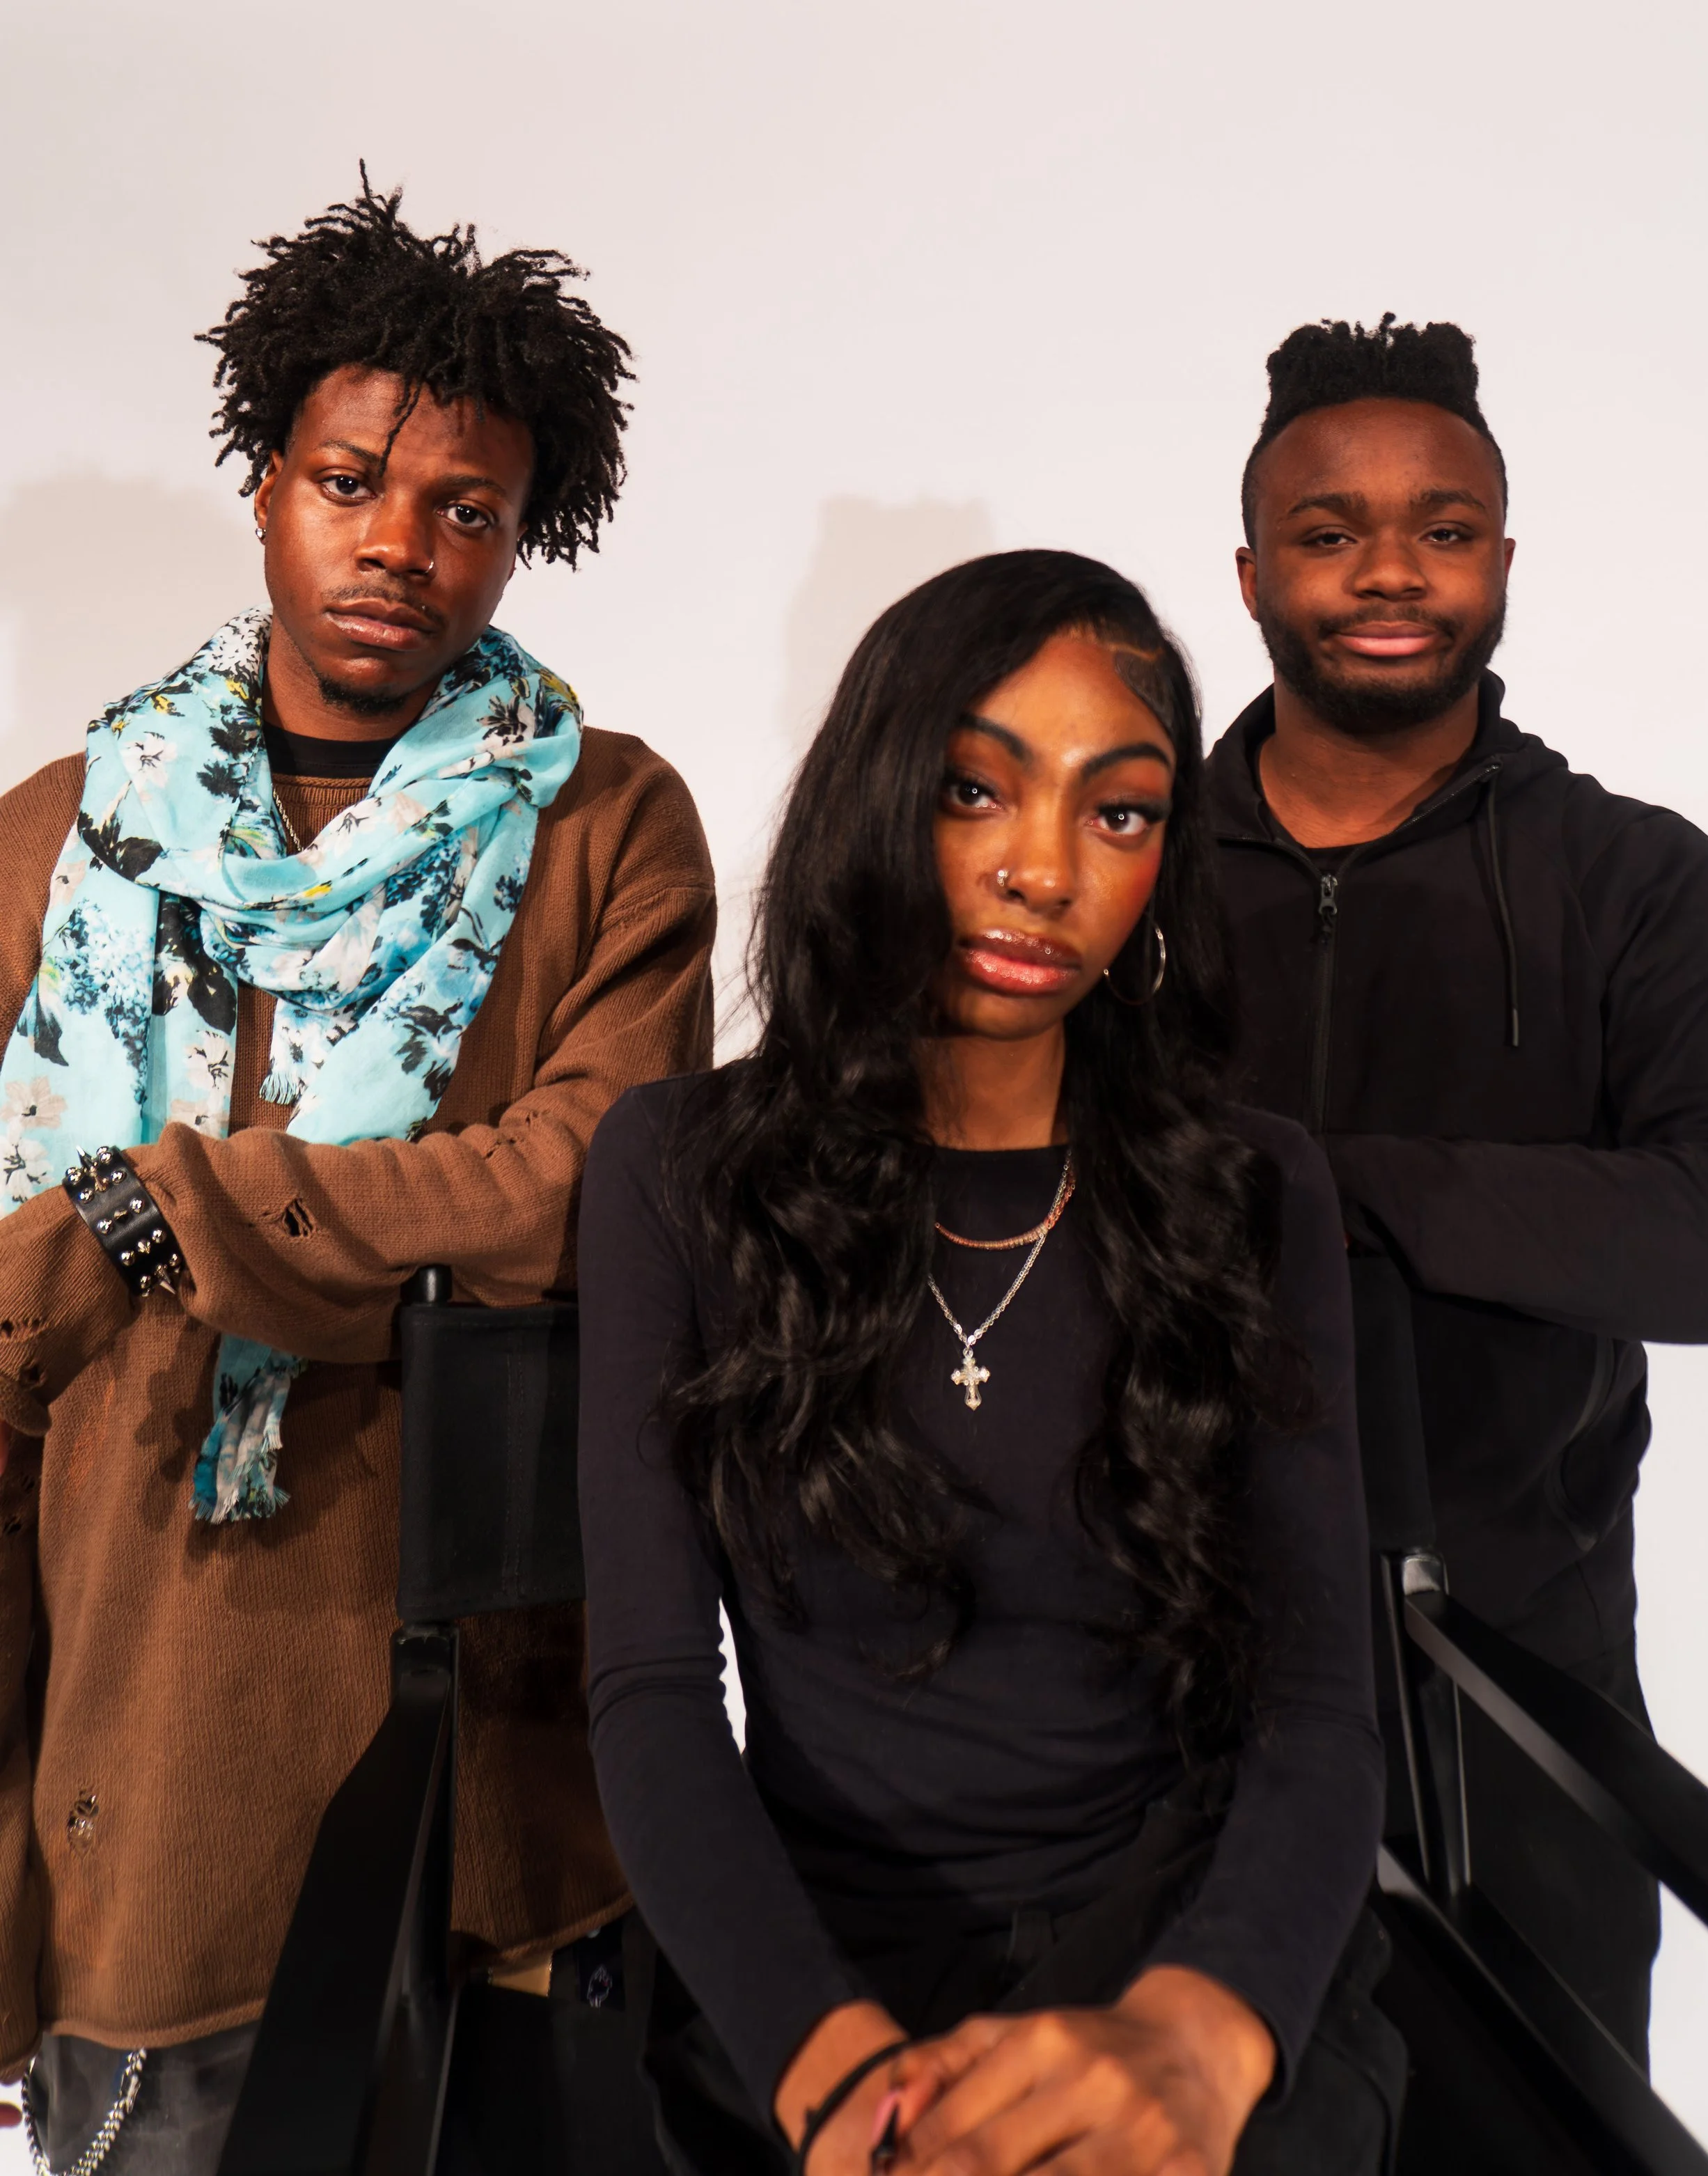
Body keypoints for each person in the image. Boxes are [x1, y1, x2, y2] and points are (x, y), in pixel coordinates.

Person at [0, 179, 713, 2170]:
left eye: (467, 509)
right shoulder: (61, 840)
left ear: (525, 533)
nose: (400, 546)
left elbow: (596, 1181)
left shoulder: (601, 827)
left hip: (488, 1767)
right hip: (135, 1767)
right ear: (263, 476)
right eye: (350, 480)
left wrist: (179, 1216)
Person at [577, 550, 1404, 2176]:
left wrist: (1197, 2029)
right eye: (976, 789)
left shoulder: (1251, 1185)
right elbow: (654, 1697)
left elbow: (1316, 1700)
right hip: (817, 1969)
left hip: (1189, 1932)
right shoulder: (676, 1168)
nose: (1042, 870)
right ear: (878, 795)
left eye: (1117, 812)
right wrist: (834, 2082)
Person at [1209, 314, 1708, 2060]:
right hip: (1154, 1720)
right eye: (1328, 529)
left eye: (1440, 529)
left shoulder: (1634, 880)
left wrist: (1329, 1186)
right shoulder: (1115, 877)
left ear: (1500, 561)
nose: (1388, 572)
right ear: (1247, 570)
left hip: (1526, 1705)